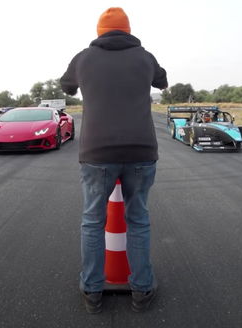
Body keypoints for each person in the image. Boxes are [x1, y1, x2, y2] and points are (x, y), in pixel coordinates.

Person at [61, 7, 167, 314]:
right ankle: (142, 289)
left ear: (99, 32)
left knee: (93, 221)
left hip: (97, 153)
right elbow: (162, 82)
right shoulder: (145, 57)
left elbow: (66, 86)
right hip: (141, 151)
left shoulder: (83, 58)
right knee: (139, 220)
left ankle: (92, 291)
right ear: (128, 30)